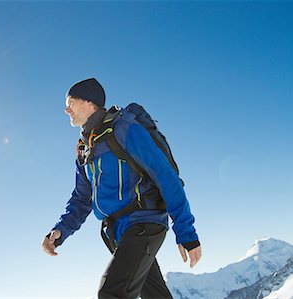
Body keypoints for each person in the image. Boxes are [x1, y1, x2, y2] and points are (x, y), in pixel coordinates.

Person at [42, 78, 202, 299]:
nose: (66, 109)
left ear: (89, 102)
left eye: (70, 102)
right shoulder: (84, 148)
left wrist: (186, 232)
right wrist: (61, 230)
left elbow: (165, 175)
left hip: (144, 223)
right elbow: (81, 198)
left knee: (112, 294)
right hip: (117, 233)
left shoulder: (124, 128)